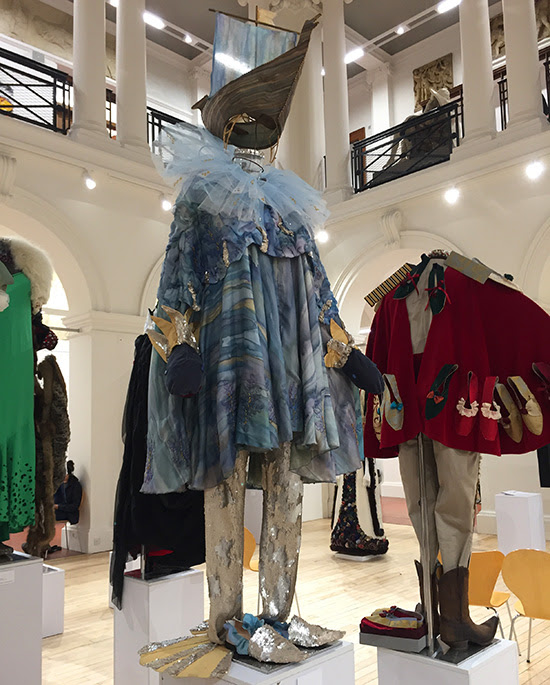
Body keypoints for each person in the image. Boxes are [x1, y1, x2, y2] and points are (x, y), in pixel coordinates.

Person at [54, 460, 82, 524]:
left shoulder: (75, 485)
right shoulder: (59, 484)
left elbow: (74, 506)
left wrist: (58, 506)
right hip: (58, 509)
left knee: (45, 515)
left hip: (69, 514)